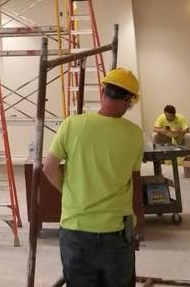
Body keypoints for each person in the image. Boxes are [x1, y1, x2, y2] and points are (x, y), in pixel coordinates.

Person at [42, 67, 145, 287]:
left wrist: (69, 191)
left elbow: (49, 167)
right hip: (116, 232)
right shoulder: (135, 134)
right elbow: (134, 182)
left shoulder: (72, 124)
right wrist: (139, 224)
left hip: (75, 229)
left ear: (103, 93)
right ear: (128, 101)